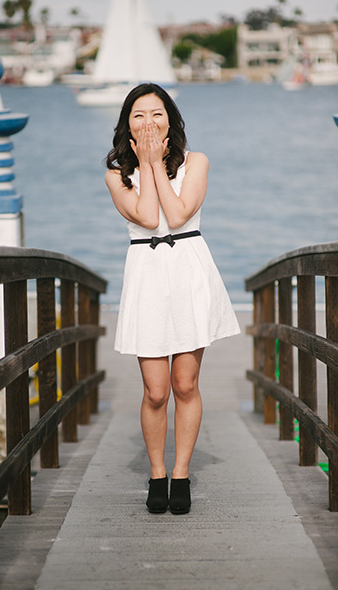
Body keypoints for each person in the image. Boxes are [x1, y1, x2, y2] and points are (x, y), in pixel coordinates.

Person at [105, 84, 240, 515]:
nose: (148, 122)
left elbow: (178, 214)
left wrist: (157, 165)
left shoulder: (196, 162)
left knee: (185, 383)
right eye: (139, 115)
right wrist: (144, 165)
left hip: (188, 271)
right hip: (146, 276)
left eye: (157, 113)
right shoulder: (115, 174)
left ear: (171, 120)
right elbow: (147, 217)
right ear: (127, 123)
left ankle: (180, 474)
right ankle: (156, 473)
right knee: (156, 390)